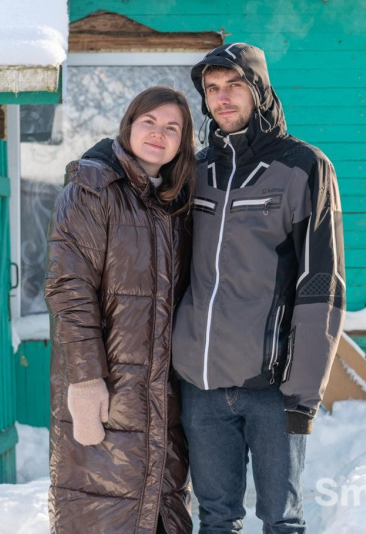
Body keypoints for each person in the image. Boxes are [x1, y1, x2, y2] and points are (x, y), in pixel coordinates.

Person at [172, 43, 346, 533]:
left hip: (273, 387)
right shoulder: (195, 171)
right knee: (214, 519)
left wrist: (303, 393)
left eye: (233, 85)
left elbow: (321, 284)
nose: (222, 98)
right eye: (211, 90)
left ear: (259, 89)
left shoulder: (303, 168)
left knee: (281, 520)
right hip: (200, 384)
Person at [45, 86, 196, 534]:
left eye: (172, 128)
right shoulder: (92, 188)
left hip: (159, 401)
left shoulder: (174, 203)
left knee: (158, 512)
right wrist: (87, 380)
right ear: (129, 125)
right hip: (108, 393)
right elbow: (69, 288)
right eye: (149, 121)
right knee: (101, 513)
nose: (158, 134)